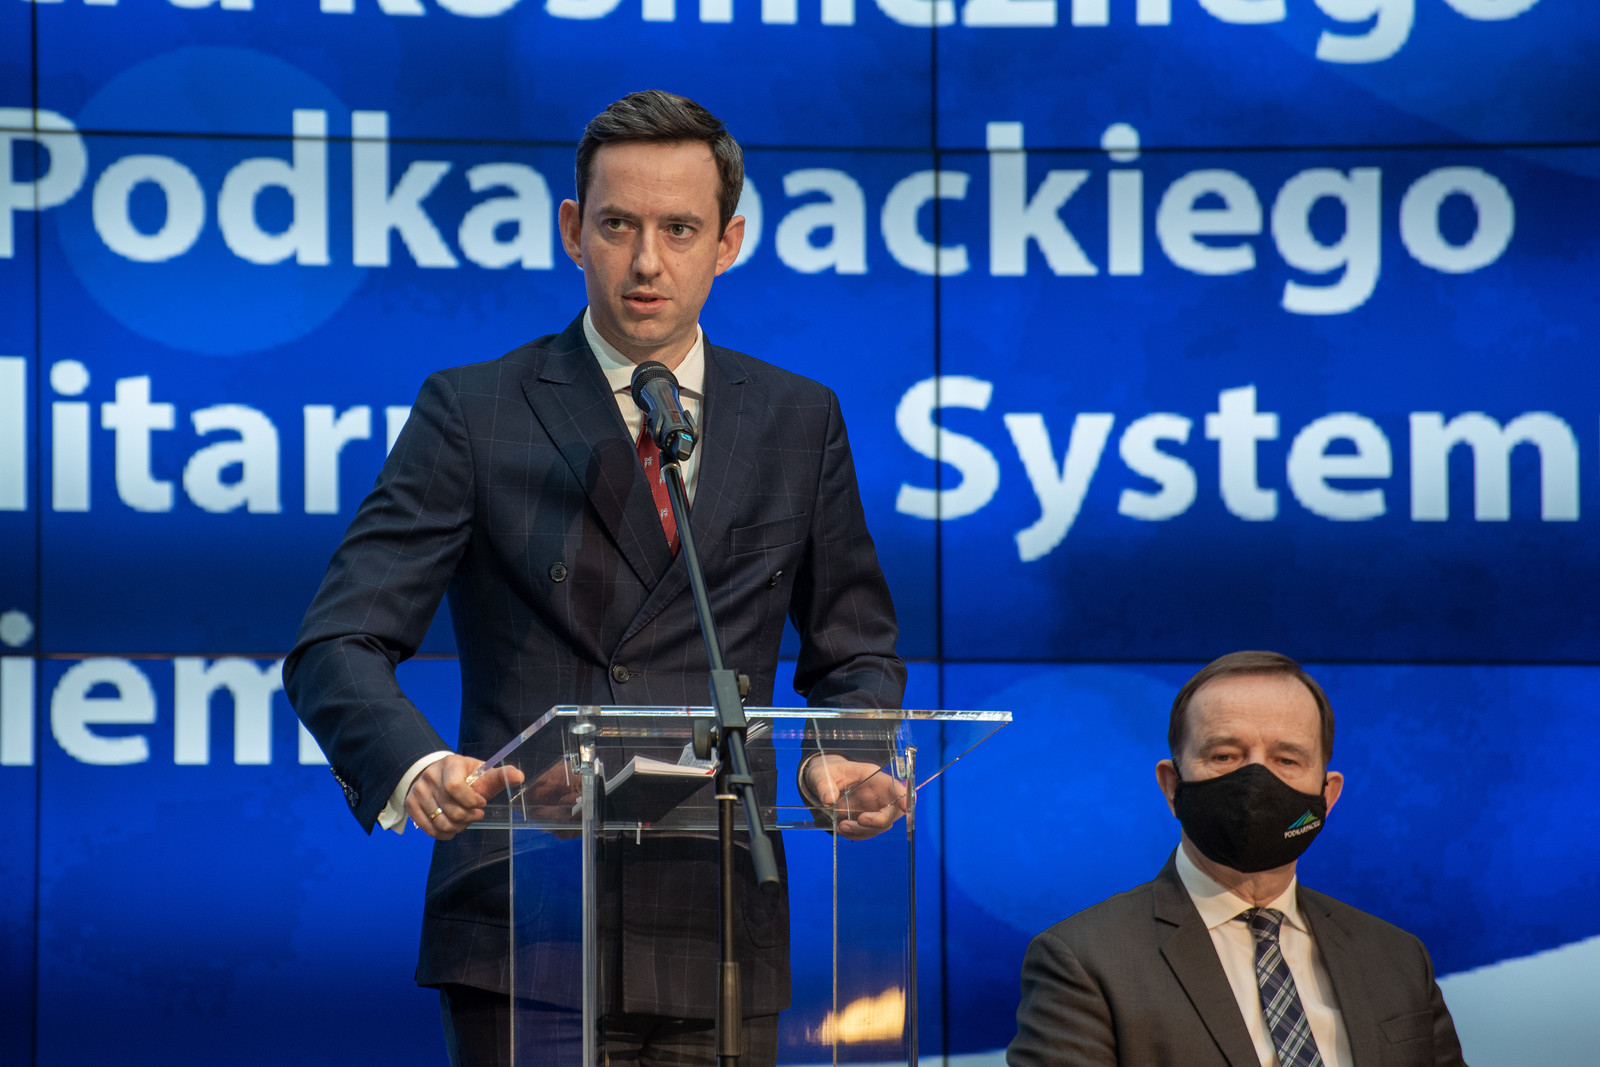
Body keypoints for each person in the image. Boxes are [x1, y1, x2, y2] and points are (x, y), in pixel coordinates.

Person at [284, 89, 906, 1067]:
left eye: (679, 229)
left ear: (728, 242)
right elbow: (337, 643)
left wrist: (845, 752)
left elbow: (855, 647)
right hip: (526, 916)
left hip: (717, 921)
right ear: (574, 230)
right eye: (619, 225)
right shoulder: (476, 411)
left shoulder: (797, 420)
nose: (647, 260)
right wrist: (418, 766)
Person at [1007, 651, 1467, 1067]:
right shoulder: (1083, 961)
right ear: (1172, 786)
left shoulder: (1397, 958)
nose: (1255, 782)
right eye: (1225, 755)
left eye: (1287, 759)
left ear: (1327, 795)